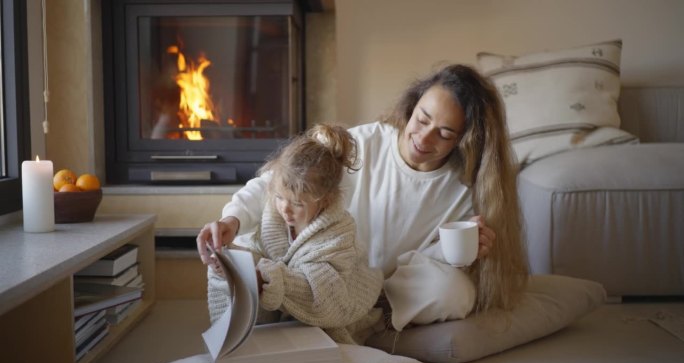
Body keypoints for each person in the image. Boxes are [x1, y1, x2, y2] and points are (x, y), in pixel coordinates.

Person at [198, 64, 528, 332]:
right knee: (248, 253)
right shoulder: (362, 144)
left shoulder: (462, 188)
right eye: (422, 119)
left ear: (464, 140)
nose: (424, 138)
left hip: (379, 288)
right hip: (319, 267)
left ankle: (359, 314)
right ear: (411, 107)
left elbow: (425, 261)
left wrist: (460, 251)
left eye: (444, 133)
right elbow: (278, 183)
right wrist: (232, 218)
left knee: (456, 294)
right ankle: (310, 302)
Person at [205, 123, 384, 344]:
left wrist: (266, 279)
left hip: (337, 304)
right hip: (280, 310)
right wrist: (230, 265)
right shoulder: (274, 216)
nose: (285, 209)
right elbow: (259, 255)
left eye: (297, 204)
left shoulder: (340, 235)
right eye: (279, 197)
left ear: (326, 200)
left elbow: (327, 292)